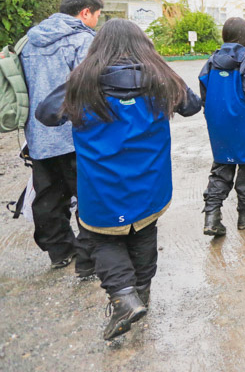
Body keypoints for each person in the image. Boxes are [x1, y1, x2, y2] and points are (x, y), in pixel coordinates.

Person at [35, 19, 201, 340]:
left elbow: (46, 114)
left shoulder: (82, 81)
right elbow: (192, 106)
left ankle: (125, 297)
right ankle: (141, 293)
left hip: (101, 185)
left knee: (104, 239)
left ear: (99, 46)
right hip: (150, 181)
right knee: (144, 230)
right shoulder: (160, 77)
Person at [20, 0, 102, 276]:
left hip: (39, 133)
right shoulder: (83, 40)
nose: (95, 22)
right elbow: (90, 88)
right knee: (87, 195)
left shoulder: (29, 40)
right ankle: (88, 257)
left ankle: (58, 251)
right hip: (75, 132)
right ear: (85, 13)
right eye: (96, 16)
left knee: (48, 195)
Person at [198, 18, 245, 236]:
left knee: (222, 165)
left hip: (219, 121)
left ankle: (212, 217)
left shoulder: (211, 60)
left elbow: (204, 88)